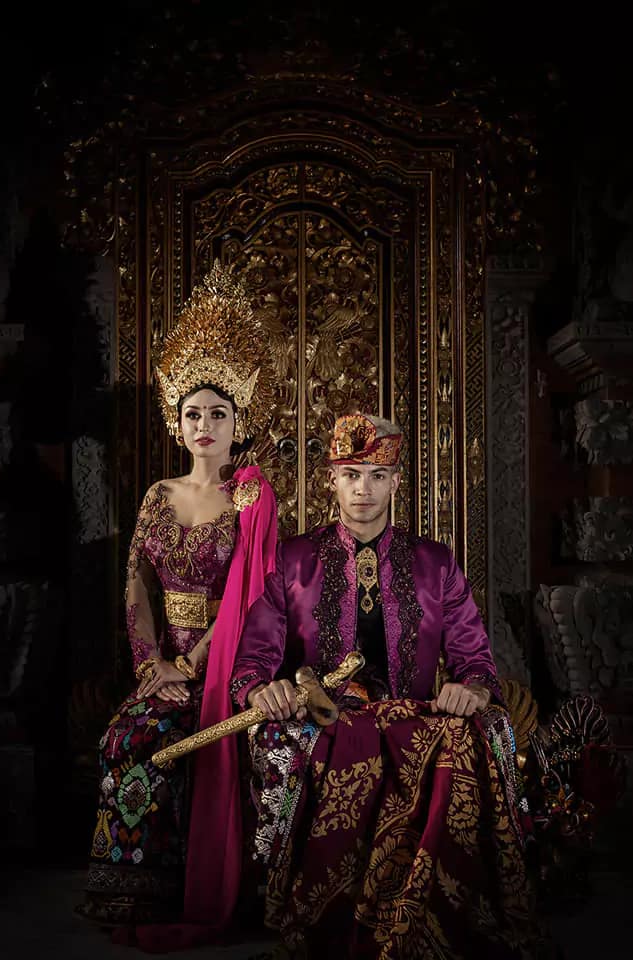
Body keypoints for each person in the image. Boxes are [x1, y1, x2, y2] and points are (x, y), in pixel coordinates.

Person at [231, 412, 539, 959]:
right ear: (331, 479)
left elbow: (474, 658)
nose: (363, 489)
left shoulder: (435, 563)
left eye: (377, 475)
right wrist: (259, 689)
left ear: (397, 482)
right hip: (325, 716)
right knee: (326, 740)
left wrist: (472, 688)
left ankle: (431, 906)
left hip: (412, 718)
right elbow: (255, 655)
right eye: (351, 475)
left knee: (472, 730)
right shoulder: (292, 560)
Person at [79, 262, 278, 937]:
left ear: (238, 421)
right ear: (176, 421)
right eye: (193, 413)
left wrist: (192, 667)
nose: (204, 424)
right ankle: (130, 889)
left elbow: (254, 598)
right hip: (162, 664)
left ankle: (187, 891)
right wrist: (150, 664)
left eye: (218, 413)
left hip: (224, 667)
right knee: (125, 734)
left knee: (168, 738)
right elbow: (136, 581)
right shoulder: (158, 496)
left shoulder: (250, 498)